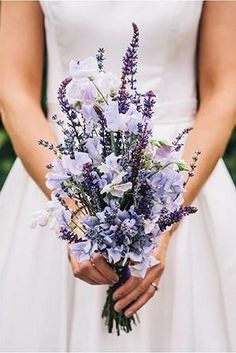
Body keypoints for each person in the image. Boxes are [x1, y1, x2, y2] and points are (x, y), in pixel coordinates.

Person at [0, 1, 236, 351]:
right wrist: (77, 210)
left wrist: (164, 220)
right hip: (62, 168)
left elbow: (224, 91)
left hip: (179, 171)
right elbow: (13, 90)